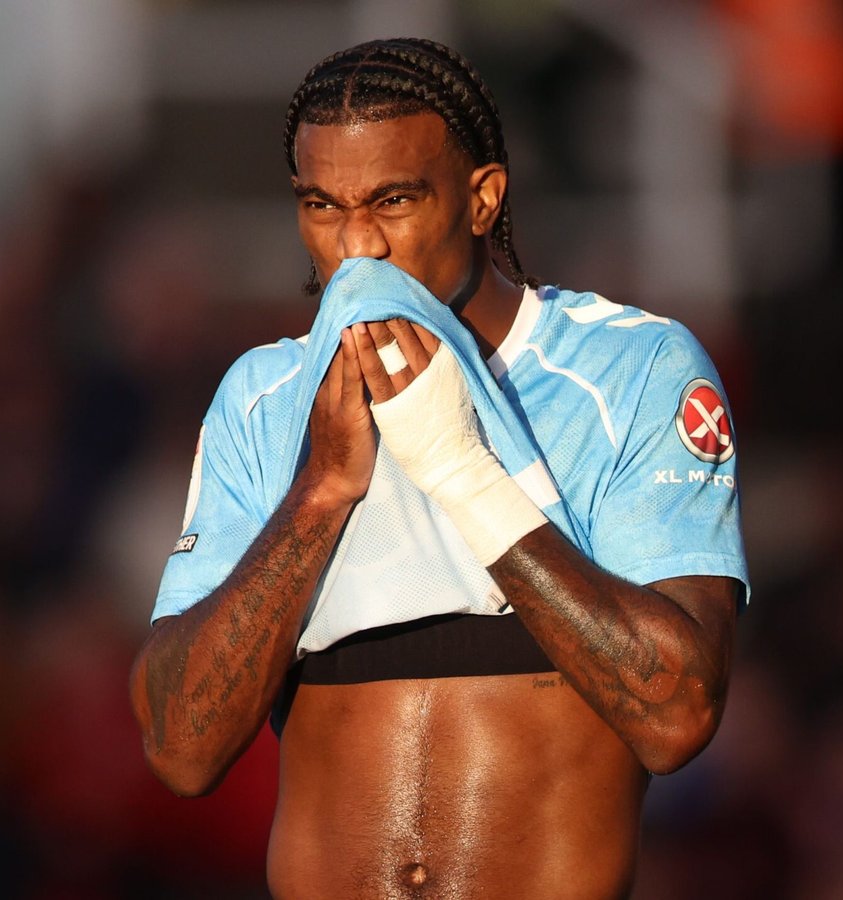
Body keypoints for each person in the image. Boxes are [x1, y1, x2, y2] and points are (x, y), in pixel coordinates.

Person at [129, 37, 748, 898]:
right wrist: (319, 493)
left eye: (392, 200)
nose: (356, 249)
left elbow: (677, 716)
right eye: (321, 205)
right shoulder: (263, 400)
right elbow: (180, 748)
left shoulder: (630, 371)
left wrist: (459, 468)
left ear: (483, 198)